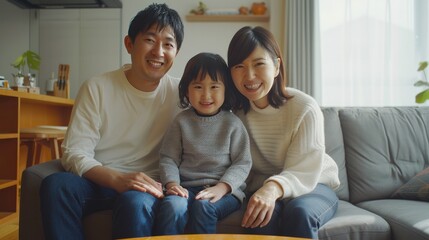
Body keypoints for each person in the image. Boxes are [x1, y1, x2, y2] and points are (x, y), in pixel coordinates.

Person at [39, 4, 184, 239]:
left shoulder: (181, 93)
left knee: (134, 202)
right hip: (101, 181)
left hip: (148, 185)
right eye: (149, 40)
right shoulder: (97, 87)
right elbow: (75, 151)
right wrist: (116, 178)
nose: (159, 52)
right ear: (129, 44)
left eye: (168, 44)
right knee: (57, 185)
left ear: (175, 53)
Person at [226, 26, 340, 239]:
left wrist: (271, 189)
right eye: (239, 66)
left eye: (259, 64)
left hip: (313, 184)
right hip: (264, 190)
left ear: (277, 66)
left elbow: (304, 170)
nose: (249, 75)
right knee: (258, 219)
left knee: (299, 213)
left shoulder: (304, 107)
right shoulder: (235, 115)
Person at [155, 52, 252, 235]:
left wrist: (222, 187)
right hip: (186, 188)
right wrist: (172, 184)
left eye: (214, 87)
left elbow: (243, 162)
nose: (206, 95)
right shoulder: (181, 122)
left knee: (203, 207)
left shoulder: (232, 124)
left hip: (225, 191)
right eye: (198, 87)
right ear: (186, 90)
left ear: (226, 90)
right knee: (172, 206)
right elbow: (168, 158)